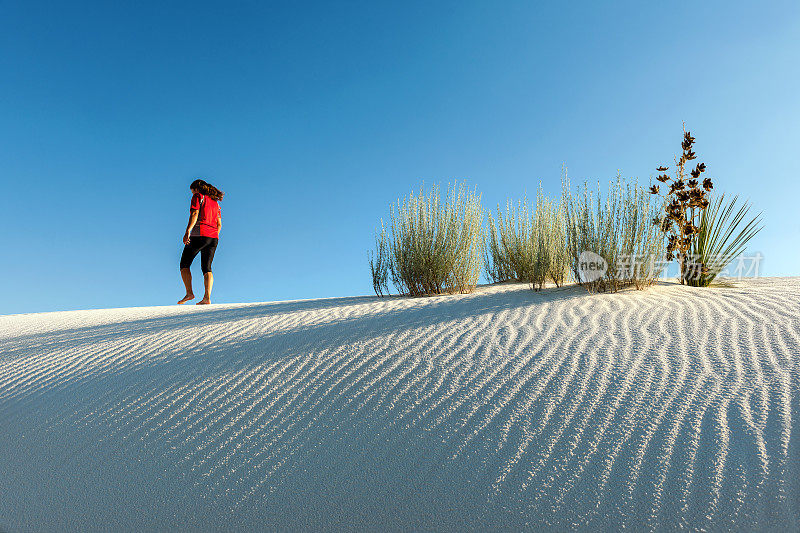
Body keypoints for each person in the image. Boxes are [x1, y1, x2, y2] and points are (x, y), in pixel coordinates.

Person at [178, 179, 223, 305]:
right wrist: (213, 235)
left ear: (196, 189)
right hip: (213, 237)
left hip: (199, 234)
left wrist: (188, 231)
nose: (192, 194)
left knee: (184, 264)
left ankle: (189, 293)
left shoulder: (198, 196)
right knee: (206, 267)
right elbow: (219, 224)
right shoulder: (216, 203)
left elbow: (195, 213)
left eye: (192, 191)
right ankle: (207, 298)